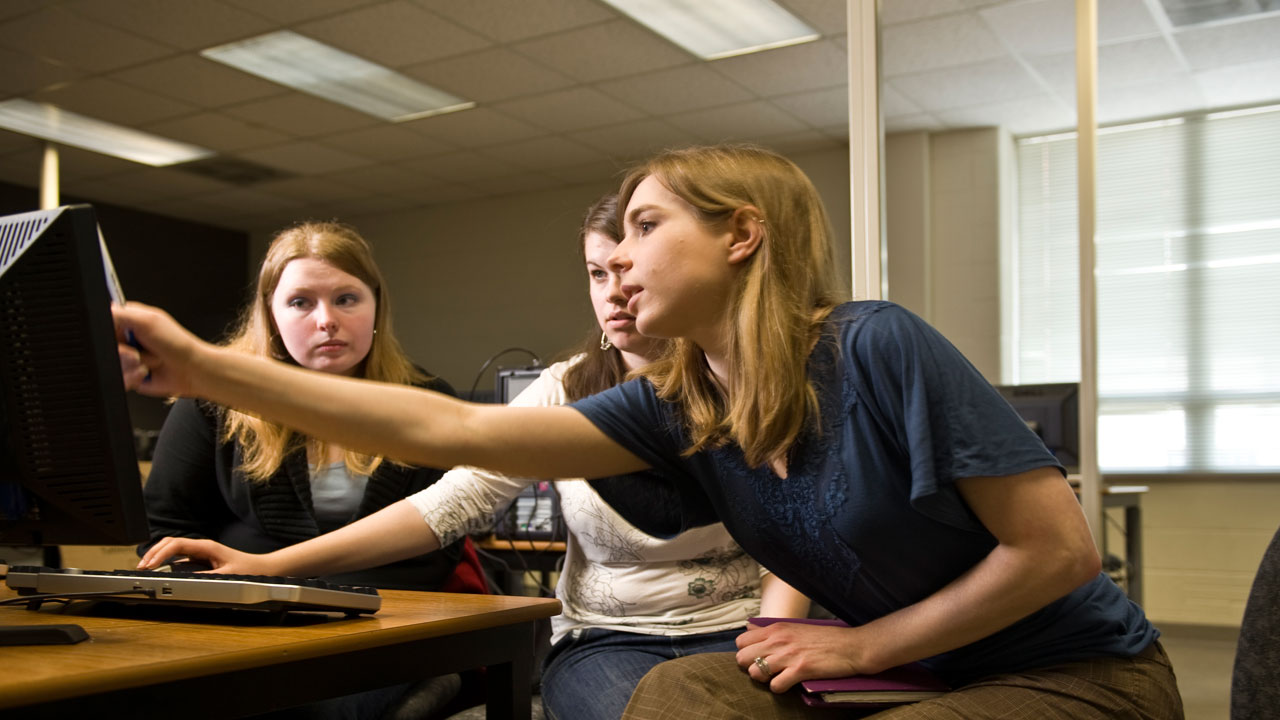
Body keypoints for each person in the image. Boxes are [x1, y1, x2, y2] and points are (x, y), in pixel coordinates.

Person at [116, 144, 1183, 720]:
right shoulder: (679, 405)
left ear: (740, 236)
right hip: (900, 671)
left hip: (1064, 672)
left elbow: (1059, 551)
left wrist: (858, 642)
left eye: (642, 228)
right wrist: (209, 367)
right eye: (608, 243)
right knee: (674, 694)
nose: (614, 263)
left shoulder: (871, 345)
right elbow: (449, 430)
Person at [137, 195, 810, 720]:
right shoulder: (563, 389)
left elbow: (807, 522)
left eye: (630, 270)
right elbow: (453, 489)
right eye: (598, 273)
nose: (616, 292)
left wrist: (784, 630)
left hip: (744, 628)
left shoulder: (774, 381)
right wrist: (265, 569)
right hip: (611, 637)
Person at [138, 221, 487, 720]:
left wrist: (297, 583)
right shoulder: (213, 402)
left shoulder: (428, 401)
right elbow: (167, 531)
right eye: (301, 302)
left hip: (384, 625)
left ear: (376, 307)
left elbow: (438, 543)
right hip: (244, 622)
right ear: (271, 315)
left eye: (347, 298)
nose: (327, 320)